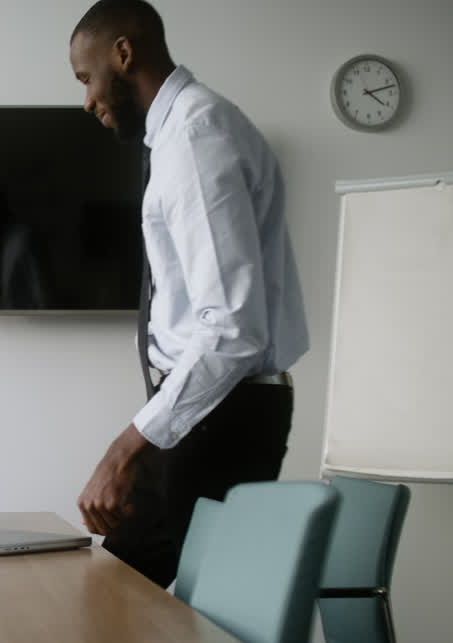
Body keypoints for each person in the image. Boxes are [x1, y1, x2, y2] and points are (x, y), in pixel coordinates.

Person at [68, 0, 309, 587]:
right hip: (211, 410)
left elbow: (231, 328)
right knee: (161, 606)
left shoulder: (198, 137)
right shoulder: (186, 132)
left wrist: (123, 449)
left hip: (223, 413)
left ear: (123, 54)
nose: (88, 101)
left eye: (87, 77)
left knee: (111, 598)